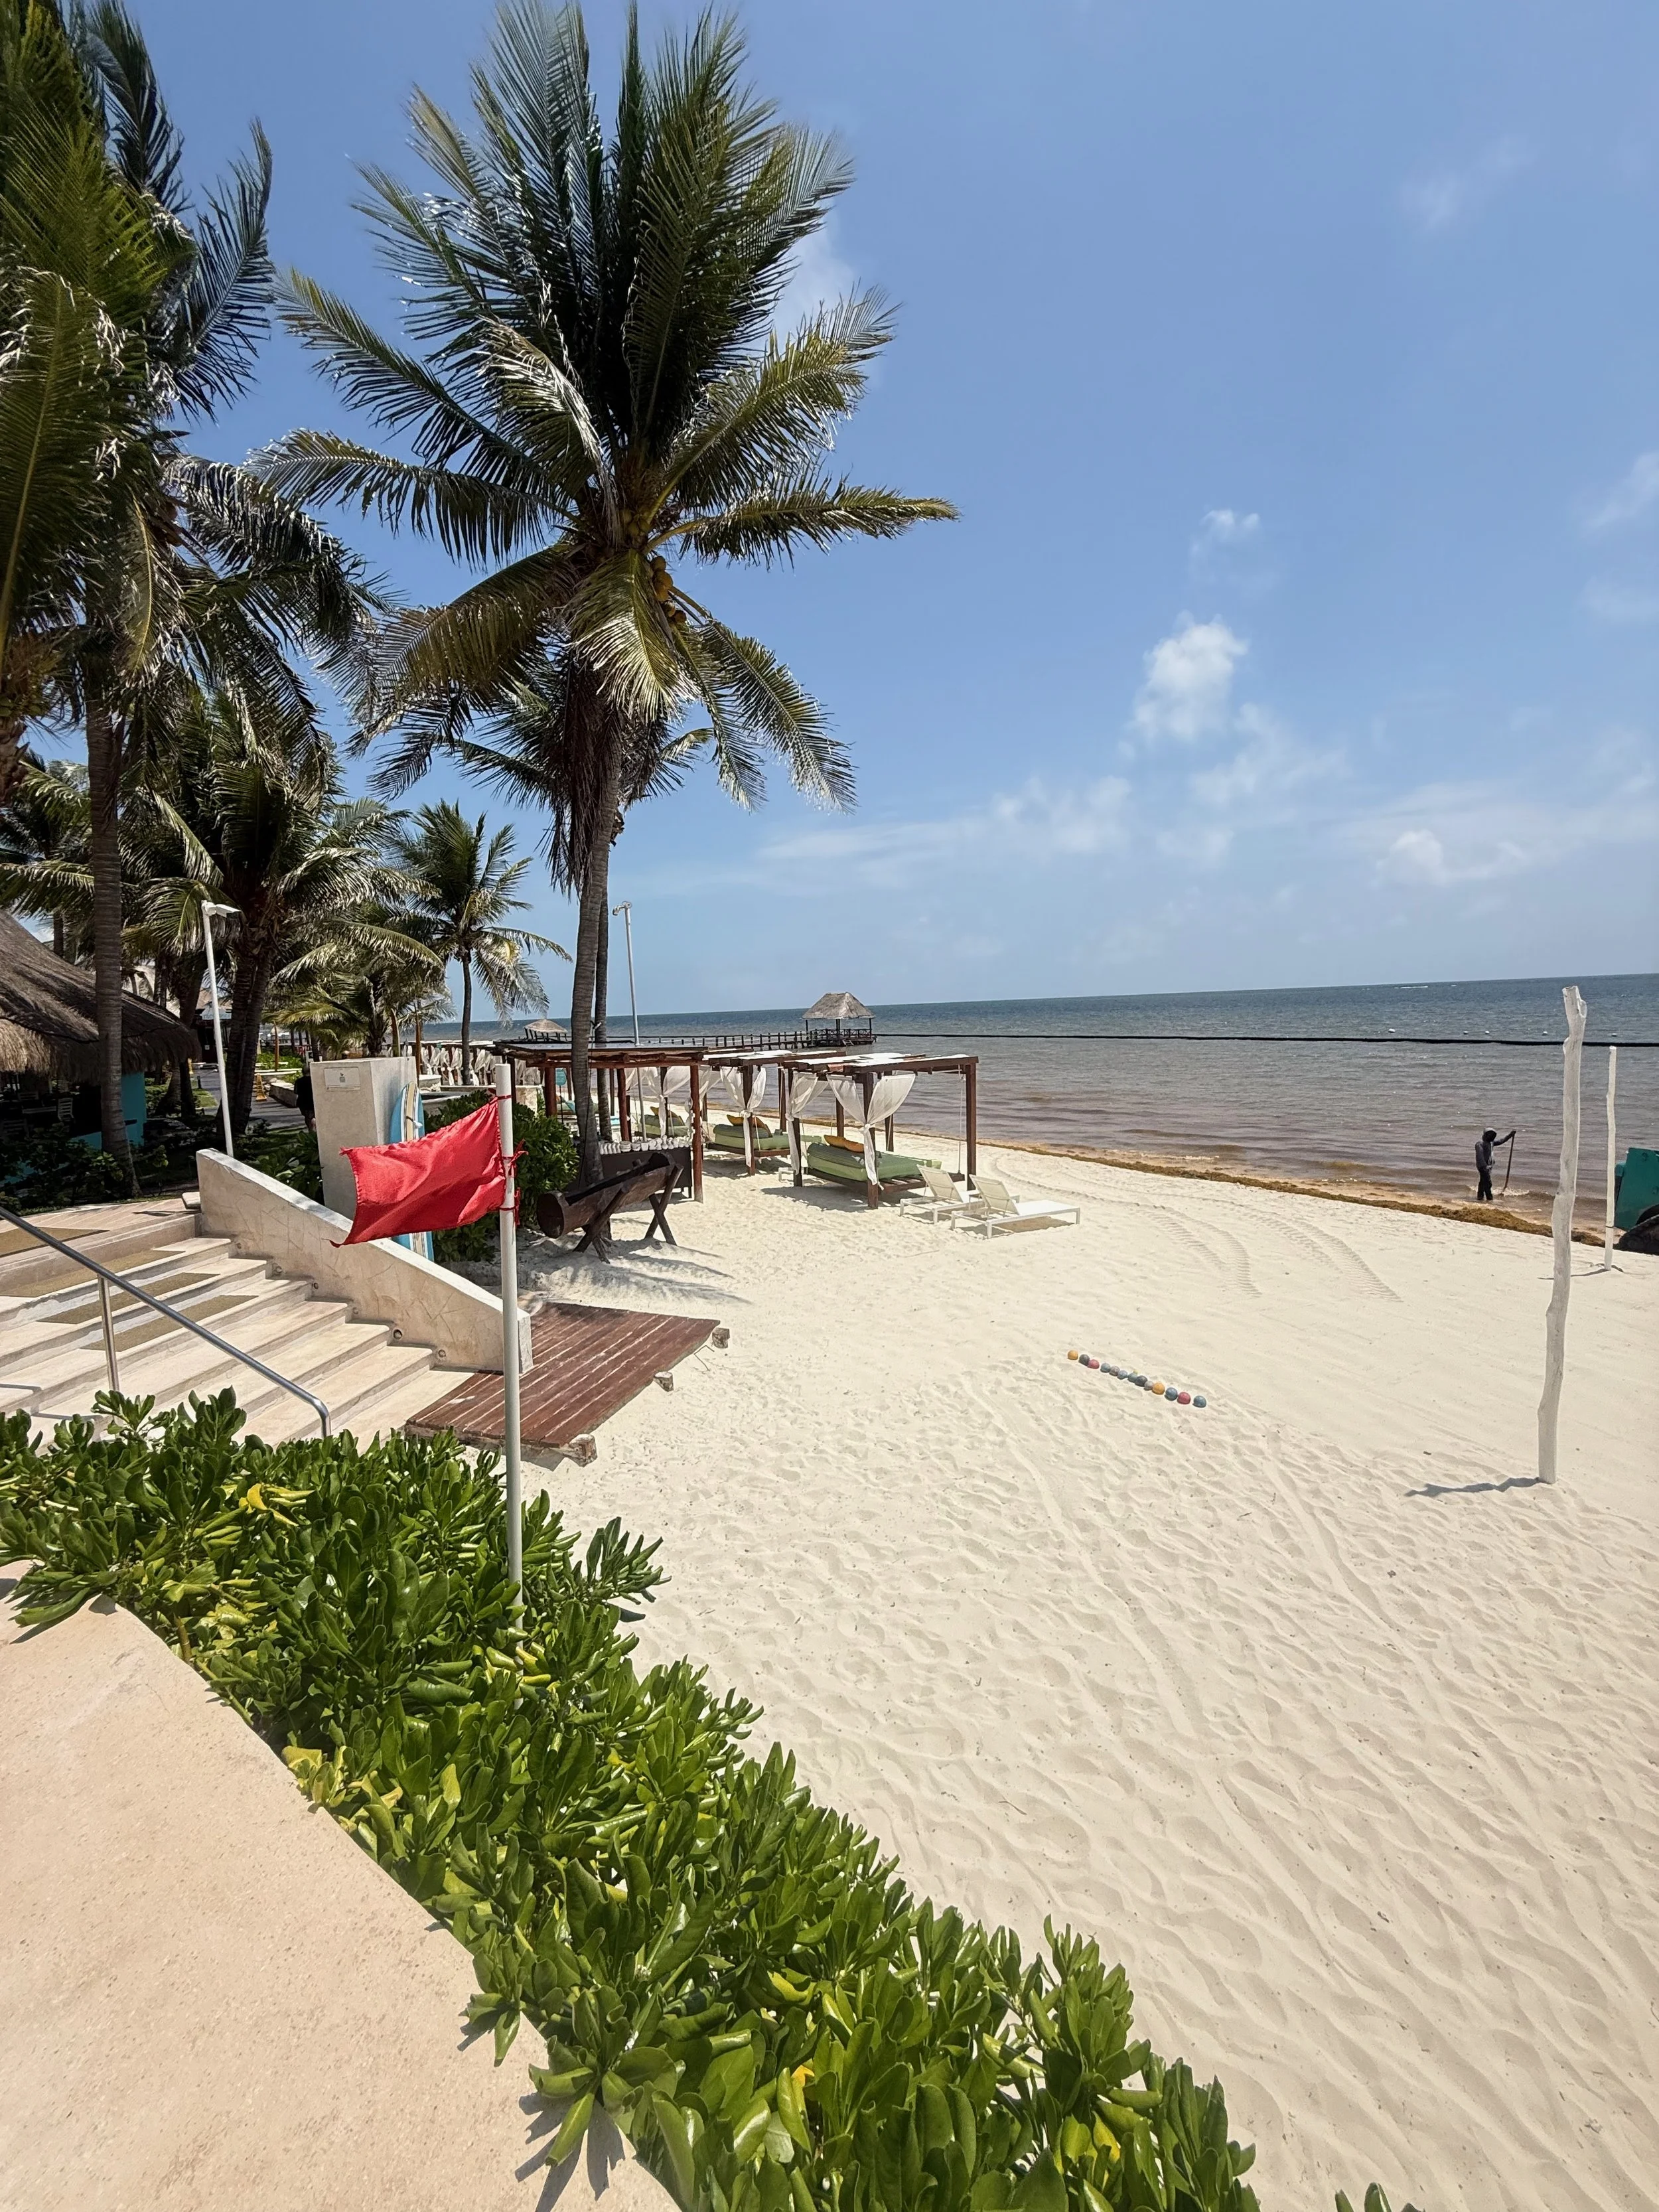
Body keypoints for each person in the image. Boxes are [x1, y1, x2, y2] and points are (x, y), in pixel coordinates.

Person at [1475, 1127, 1514, 1202]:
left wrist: (1510, 1135)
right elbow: (1479, 1156)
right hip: (1483, 1167)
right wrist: (1484, 1166)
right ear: (1485, 1135)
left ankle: (1480, 1197)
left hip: (1488, 1167)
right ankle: (1489, 1198)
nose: (1490, 1136)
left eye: (1492, 1135)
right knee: (1488, 1183)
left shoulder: (1491, 1143)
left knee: (1483, 1182)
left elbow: (1501, 1141)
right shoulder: (1480, 1144)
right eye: (1489, 1135)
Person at [294, 1067, 315, 1132]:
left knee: (307, 1117)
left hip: (303, 1102)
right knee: (312, 1116)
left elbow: (296, 1091)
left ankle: (311, 1129)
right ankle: (313, 1129)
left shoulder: (298, 1081)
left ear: (303, 1072)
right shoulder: (313, 1080)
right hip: (312, 1102)